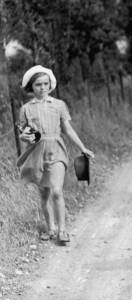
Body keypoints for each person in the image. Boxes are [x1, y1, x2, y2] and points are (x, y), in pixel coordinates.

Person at [16, 65, 94, 244]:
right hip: (37, 153)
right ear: (31, 87)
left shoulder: (59, 105)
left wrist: (83, 148)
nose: (42, 88)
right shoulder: (26, 109)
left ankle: (63, 231)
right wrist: (24, 135)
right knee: (44, 193)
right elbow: (23, 133)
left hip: (57, 150)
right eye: (38, 85)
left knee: (57, 191)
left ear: (50, 85)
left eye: (45, 84)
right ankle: (50, 227)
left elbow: (67, 129)